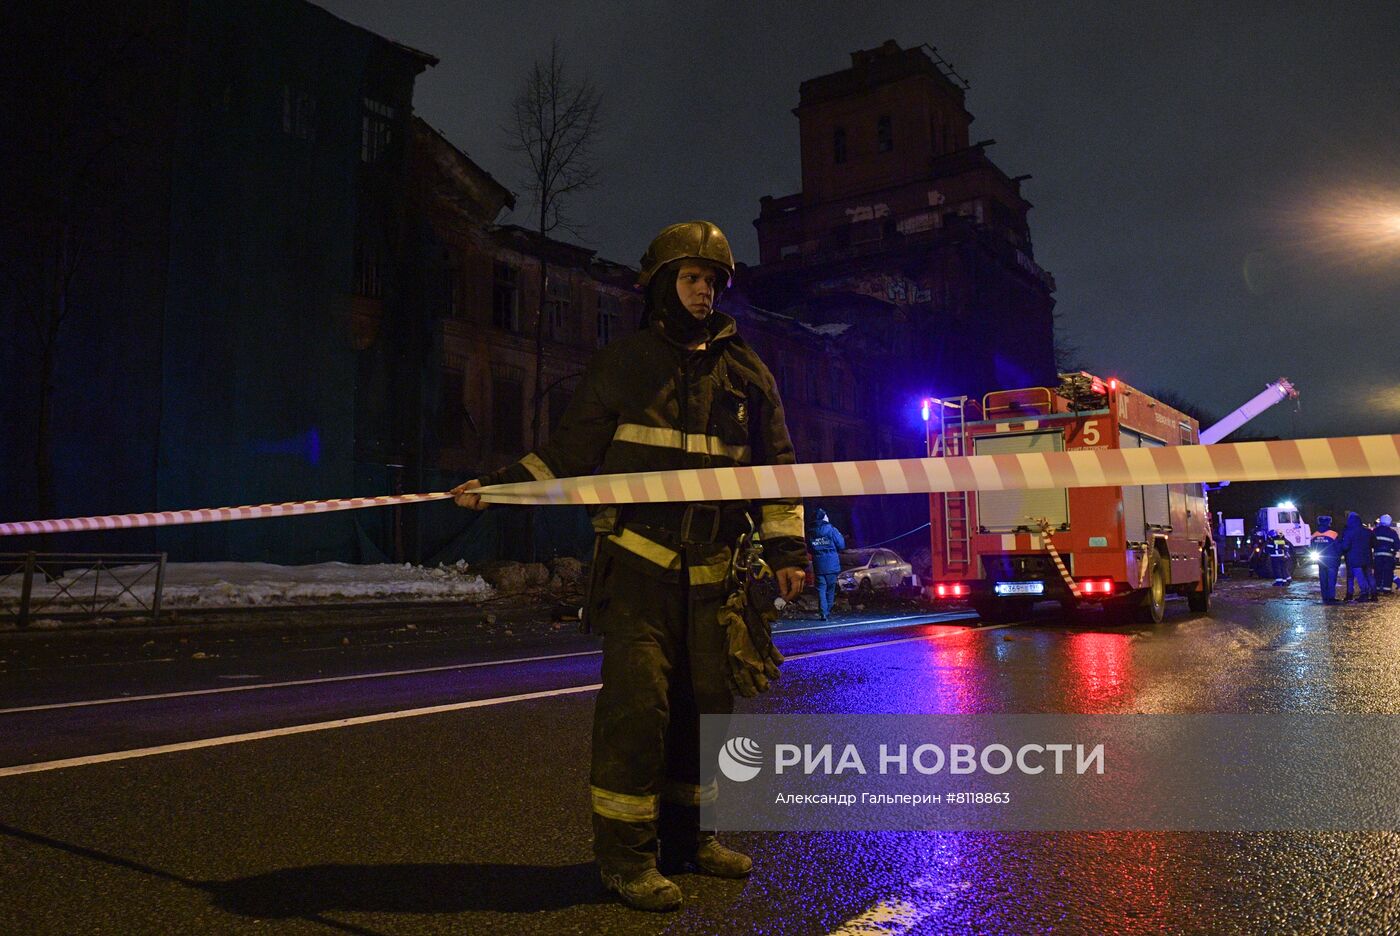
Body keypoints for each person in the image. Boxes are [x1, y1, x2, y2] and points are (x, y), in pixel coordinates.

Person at [451, 221, 806, 913]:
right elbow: (570, 451)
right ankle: (626, 861)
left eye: (712, 280)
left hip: (717, 578)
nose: (704, 291)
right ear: (660, 286)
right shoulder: (624, 364)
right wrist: (498, 485)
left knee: (707, 718)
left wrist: (789, 552)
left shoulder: (748, 375)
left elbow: (776, 472)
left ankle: (691, 841)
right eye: (691, 277)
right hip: (639, 573)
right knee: (637, 715)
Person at [807, 508, 846, 620]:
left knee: (821, 589)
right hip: (832, 564)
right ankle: (827, 611)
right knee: (830, 589)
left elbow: (810, 549)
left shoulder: (811, 531)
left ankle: (823, 612)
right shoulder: (831, 529)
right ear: (824, 518)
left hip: (819, 565)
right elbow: (841, 545)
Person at [1338, 511, 1375, 602]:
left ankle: (1354, 594)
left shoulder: (1348, 532)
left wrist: (1341, 549)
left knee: (1354, 577)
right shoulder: (1367, 531)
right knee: (1369, 576)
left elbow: (1345, 546)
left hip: (1353, 558)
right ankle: (1374, 594)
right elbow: (1374, 543)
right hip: (1367, 557)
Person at [1310, 516, 1341, 605]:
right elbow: (1339, 547)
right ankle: (1331, 598)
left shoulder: (1314, 535)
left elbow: (1311, 548)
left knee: (1323, 580)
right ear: (1329, 523)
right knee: (1331, 580)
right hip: (1332, 561)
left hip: (1321, 561)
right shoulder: (1333, 534)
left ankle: (1325, 597)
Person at [1372, 514, 1398, 596]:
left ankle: (1377, 589)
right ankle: (1387, 590)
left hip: (1378, 555)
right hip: (1389, 557)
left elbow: (1371, 543)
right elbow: (1397, 545)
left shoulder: (1375, 531)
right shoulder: (1392, 532)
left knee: (1377, 572)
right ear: (1389, 522)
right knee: (1388, 572)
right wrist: (1393, 550)